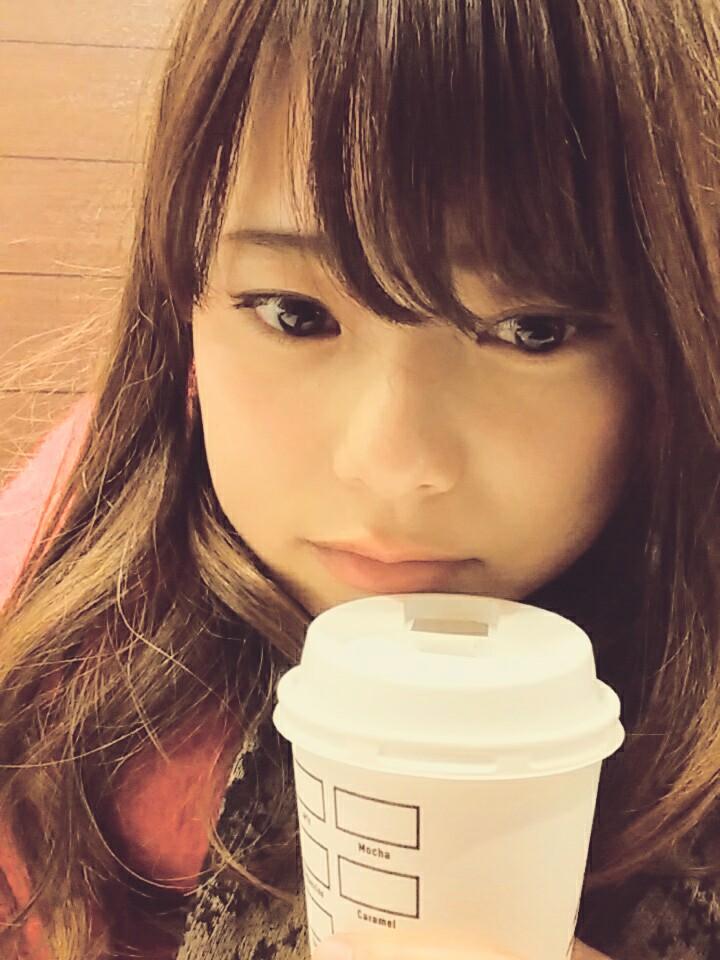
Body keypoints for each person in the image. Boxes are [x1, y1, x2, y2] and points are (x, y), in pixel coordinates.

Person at [1, 0, 718, 958]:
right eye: (294, 314)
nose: (391, 463)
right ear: (183, 303)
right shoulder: (68, 611)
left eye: (532, 330)